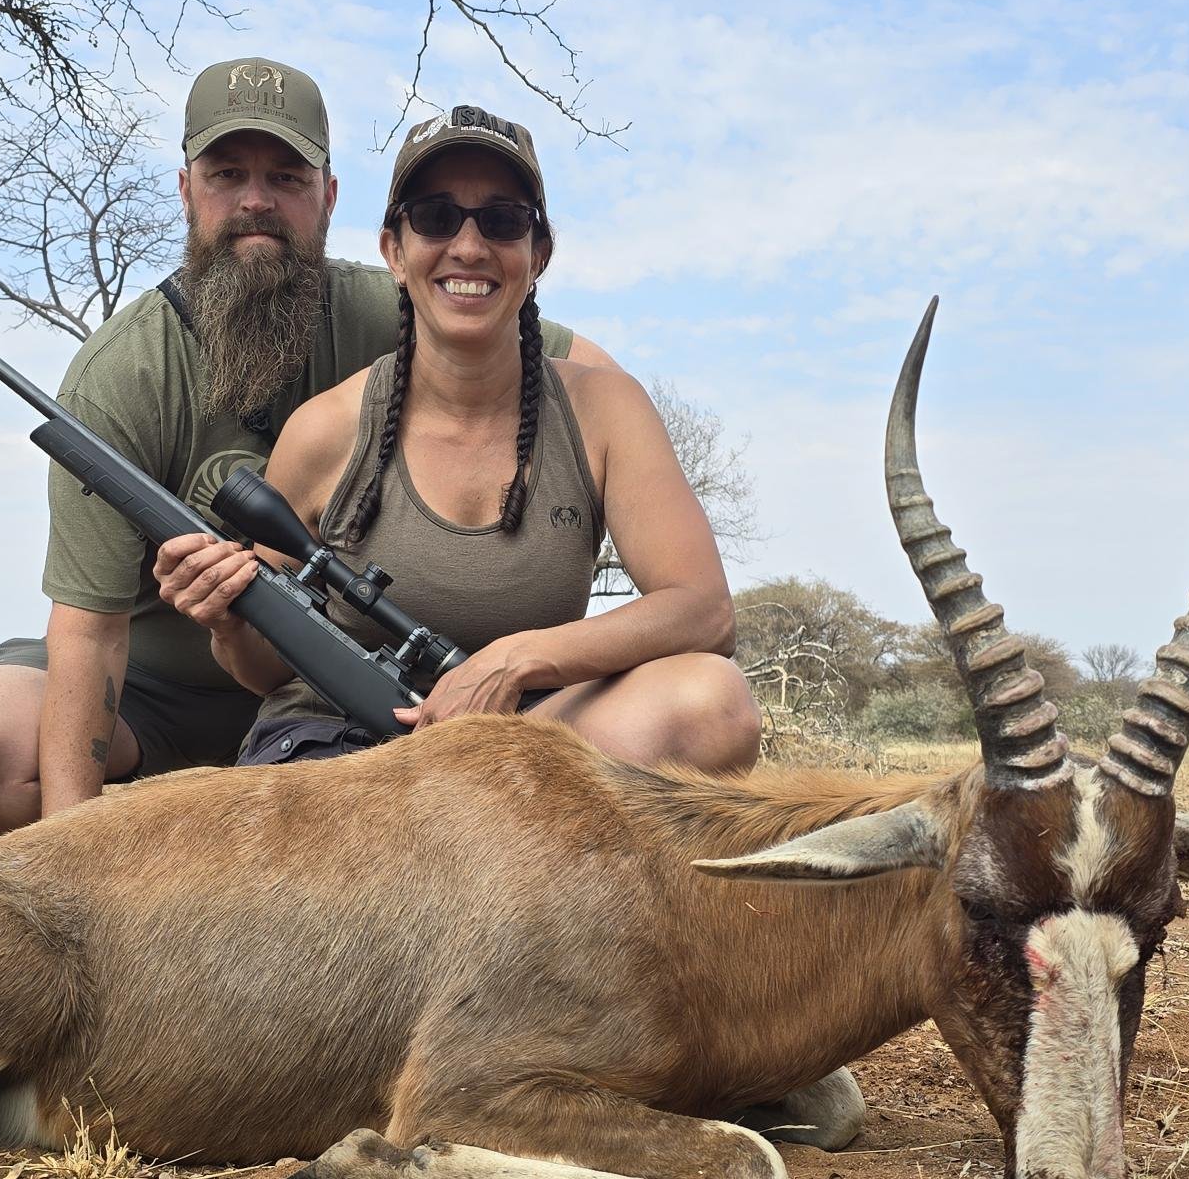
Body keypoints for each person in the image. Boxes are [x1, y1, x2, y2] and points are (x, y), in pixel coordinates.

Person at [0, 60, 615, 842]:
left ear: (329, 198)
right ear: (186, 189)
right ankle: (121, 870)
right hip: (153, 691)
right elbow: (90, 629)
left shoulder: (403, 305)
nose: (256, 201)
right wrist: (72, 856)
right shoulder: (120, 376)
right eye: (227, 173)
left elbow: (587, 380)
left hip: (331, 690)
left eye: (287, 176)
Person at [151, 104, 760, 773]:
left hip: (527, 744)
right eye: (436, 217)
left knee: (712, 704)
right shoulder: (326, 429)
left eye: (502, 221)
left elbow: (703, 611)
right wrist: (229, 622)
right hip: (344, 749)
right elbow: (267, 675)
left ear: (538, 256)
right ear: (395, 252)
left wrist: (516, 660)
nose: (468, 248)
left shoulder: (606, 408)